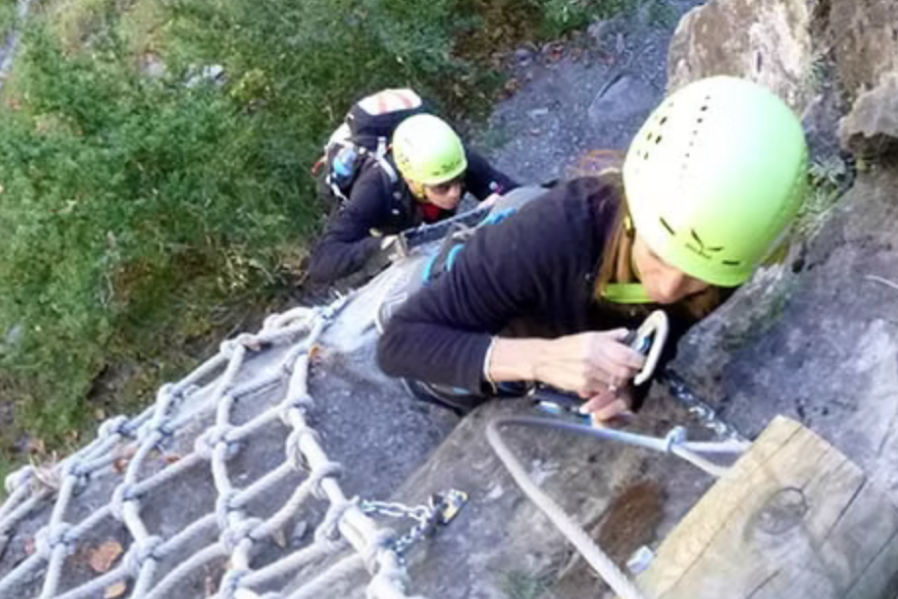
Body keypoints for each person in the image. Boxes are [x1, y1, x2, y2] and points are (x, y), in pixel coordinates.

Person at [375, 76, 807, 423]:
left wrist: (633, 382)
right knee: (461, 398)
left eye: (697, 277)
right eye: (657, 255)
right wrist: (541, 360)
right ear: (635, 213)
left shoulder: (727, 248)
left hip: (551, 333)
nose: (670, 289)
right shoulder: (552, 235)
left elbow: (668, 324)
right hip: (479, 330)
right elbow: (400, 344)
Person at [306, 99, 519, 286]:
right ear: (412, 180)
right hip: (387, 220)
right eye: (442, 187)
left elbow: (523, 194)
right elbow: (322, 262)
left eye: (460, 182)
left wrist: (504, 202)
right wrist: (386, 247)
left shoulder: (456, 161)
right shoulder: (375, 188)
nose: (454, 194)